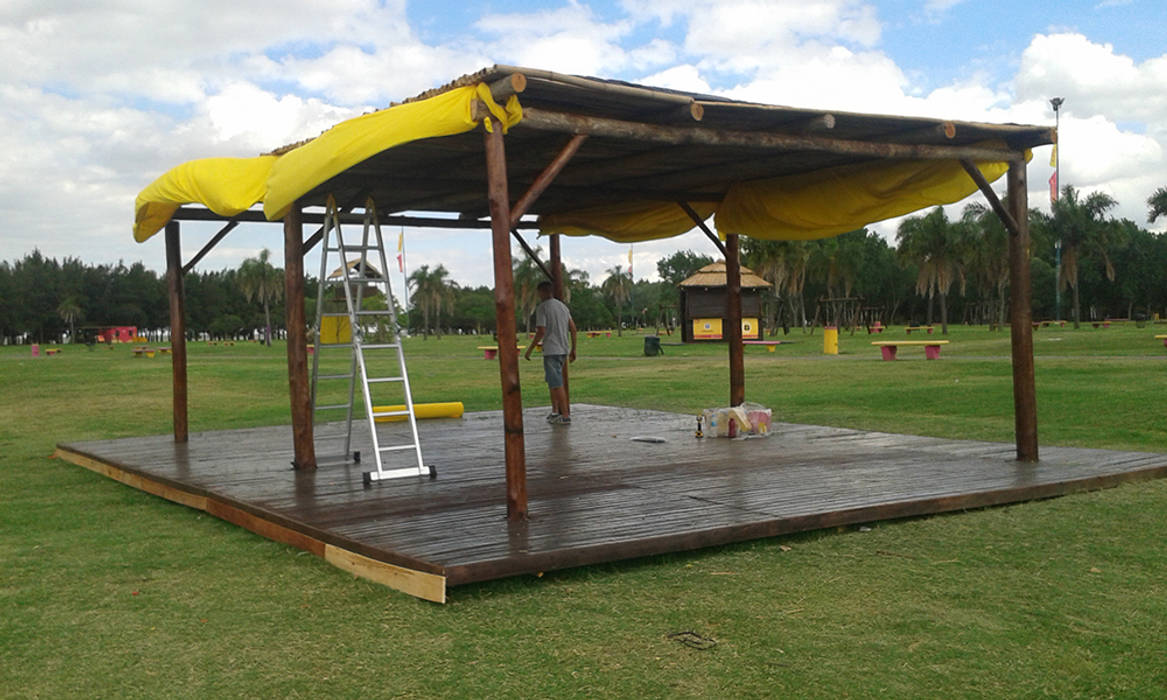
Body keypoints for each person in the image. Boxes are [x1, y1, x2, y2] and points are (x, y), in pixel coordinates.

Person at [524, 280, 577, 424]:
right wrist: (573, 349)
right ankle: (555, 411)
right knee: (552, 382)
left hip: (551, 350)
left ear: (542, 292)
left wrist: (529, 350)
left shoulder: (543, 308)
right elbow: (573, 328)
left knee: (557, 383)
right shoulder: (563, 307)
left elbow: (541, 330)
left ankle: (565, 416)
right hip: (563, 349)